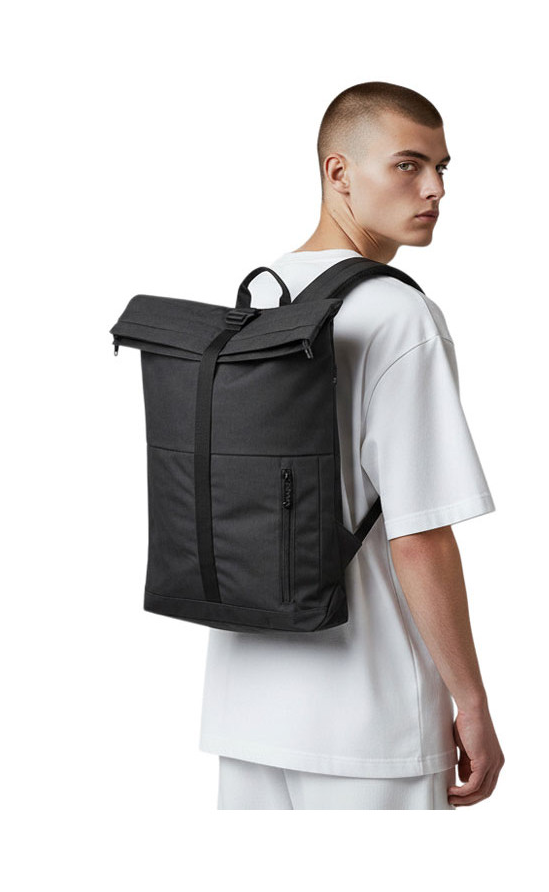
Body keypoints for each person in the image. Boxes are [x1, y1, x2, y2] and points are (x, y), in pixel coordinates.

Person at [199, 81, 505, 810]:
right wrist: (471, 702)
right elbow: (419, 535)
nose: (435, 188)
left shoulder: (256, 300)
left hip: (246, 707)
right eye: (408, 164)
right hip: (371, 722)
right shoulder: (400, 315)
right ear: (338, 172)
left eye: (441, 167)